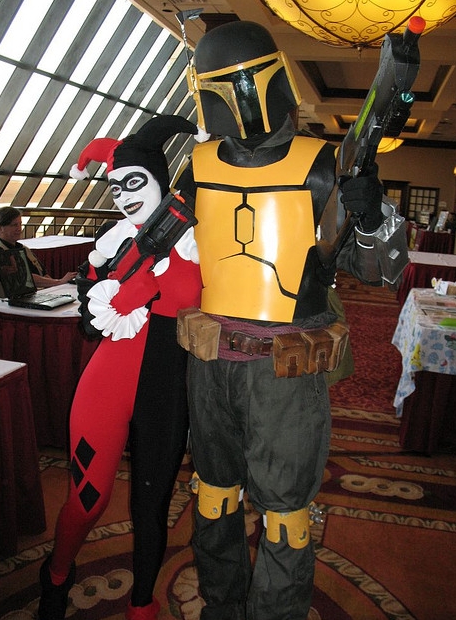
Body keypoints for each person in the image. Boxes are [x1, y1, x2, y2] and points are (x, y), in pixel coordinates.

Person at [174, 21, 401, 620]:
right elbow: (166, 240)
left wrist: (371, 215)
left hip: (285, 371)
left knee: (285, 517)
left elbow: (379, 270)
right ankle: (222, 606)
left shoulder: (321, 166)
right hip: (211, 362)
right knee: (213, 495)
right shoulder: (197, 165)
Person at [37, 115, 203, 620]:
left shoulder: (199, 241)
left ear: (160, 180)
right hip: (108, 381)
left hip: (168, 386)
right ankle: (56, 573)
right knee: (87, 498)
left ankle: (141, 603)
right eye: (115, 188)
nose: (124, 196)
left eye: (134, 182)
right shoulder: (111, 246)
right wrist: (123, 287)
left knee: (152, 506)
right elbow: (91, 323)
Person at [0, 206, 77, 292]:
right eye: (14, 225)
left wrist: (55, 288)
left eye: (20, 224)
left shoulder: (22, 248)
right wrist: (58, 282)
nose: (19, 229)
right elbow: (25, 278)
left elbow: (42, 273)